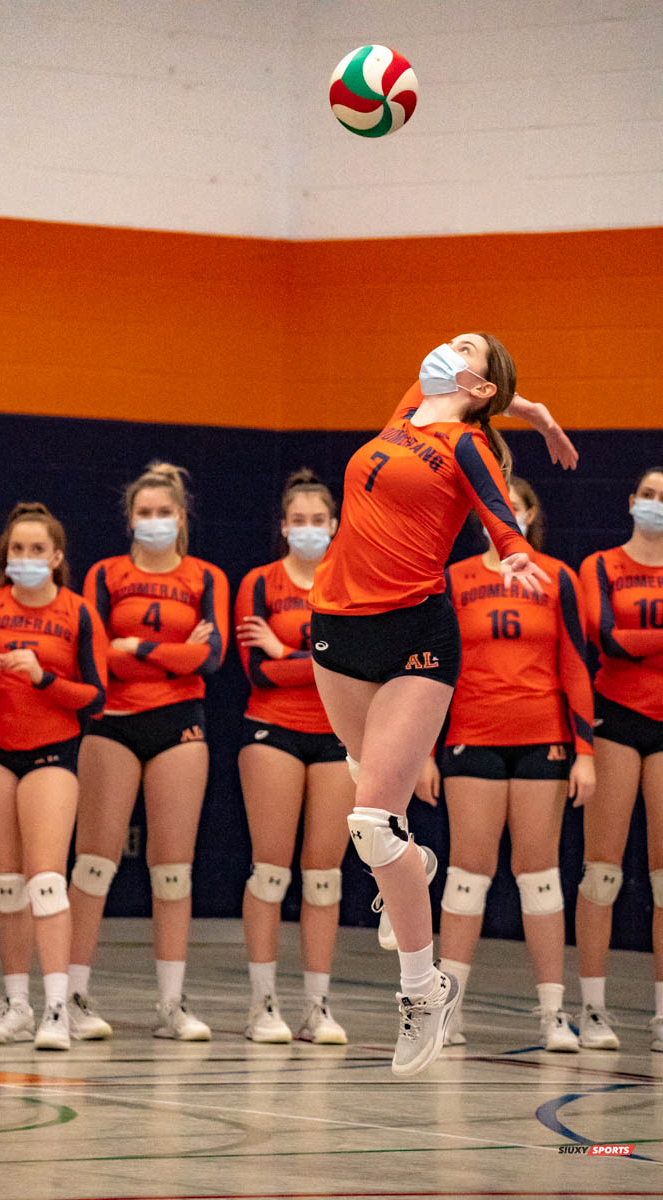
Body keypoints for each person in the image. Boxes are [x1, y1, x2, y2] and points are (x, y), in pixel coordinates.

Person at [309, 334, 551, 1077]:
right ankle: (414, 864)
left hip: (416, 632)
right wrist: (538, 413)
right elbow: (495, 399)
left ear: (479, 386)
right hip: (336, 626)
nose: (448, 346)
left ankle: (424, 989)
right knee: (369, 793)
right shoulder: (408, 412)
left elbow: (498, 513)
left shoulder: (467, 442)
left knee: (372, 822)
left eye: (466, 346)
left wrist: (514, 554)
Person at [414, 476, 594, 1052]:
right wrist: (422, 750)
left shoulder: (558, 577)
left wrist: (585, 751)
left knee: (539, 877)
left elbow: (574, 665)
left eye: (516, 506)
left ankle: (552, 1015)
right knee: (468, 876)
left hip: (544, 738)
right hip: (472, 738)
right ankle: (450, 1014)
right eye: (498, 507)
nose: (506, 514)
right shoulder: (455, 580)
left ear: (531, 513)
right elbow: (430, 669)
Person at [68, 463, 229, 1041]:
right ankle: (72, 998)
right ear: (129, 519)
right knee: (93, 863)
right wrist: (170, 650)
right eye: (144, 513)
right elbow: (92, 652)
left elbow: (210, 659)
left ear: (181, 519)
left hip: (179, 723)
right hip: (113, 722)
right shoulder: (105, 575)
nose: (154, 522)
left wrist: (134, 643)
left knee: (172, 872)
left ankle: (171, 1005)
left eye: (165, 513)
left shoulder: (206, 576)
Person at [0, 503, 107, 1051]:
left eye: (38, 550)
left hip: (52, 752)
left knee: (45, 879)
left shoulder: (78, 612)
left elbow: (95, 698)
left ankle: (57, 1009)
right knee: (6, 883)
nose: (27, 558)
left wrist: (44, 678)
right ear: (5, 556)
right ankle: (16, 1005)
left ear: (57, 557)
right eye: (18, 549)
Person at [235, 470, 354, 1044]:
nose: (308, 530)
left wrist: (287, 649)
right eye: (298, 521)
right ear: (283, 527)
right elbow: (256, 672)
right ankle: (264, 1005)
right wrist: (309, 659)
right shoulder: (259, 583)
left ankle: (317, 1007)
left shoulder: (354, 581)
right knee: (270, 869)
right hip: (272, 730)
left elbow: (359, 666)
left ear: (335, 526)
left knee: (324, 877)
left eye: (318, 521)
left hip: (337, 735)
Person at [576, 466, 663, 1052]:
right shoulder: (601, 566)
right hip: (617, 717)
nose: (657, 504)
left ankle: (661, 1015)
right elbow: (605, 638)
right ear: (632, 501)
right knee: (602, 873)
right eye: (651, 495)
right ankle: (592, 1009)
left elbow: (632, 638)